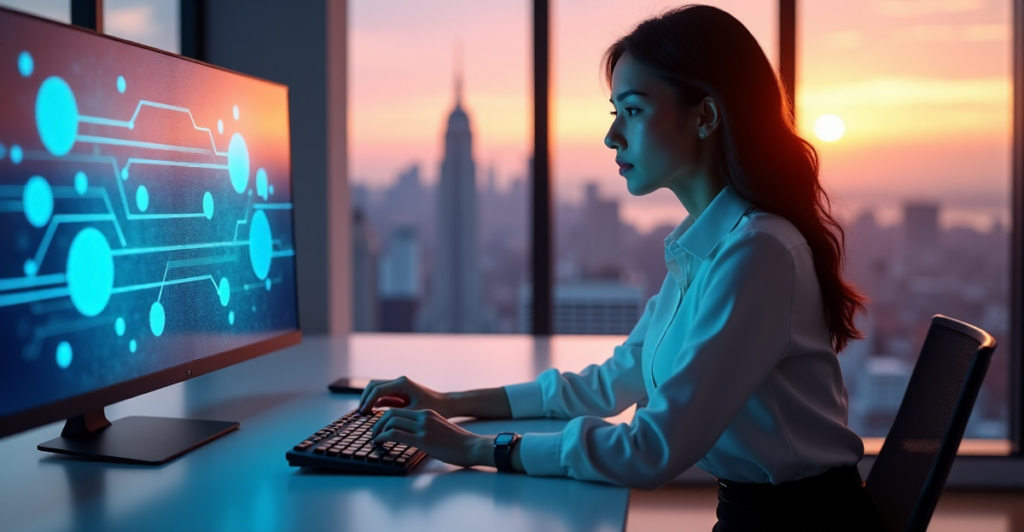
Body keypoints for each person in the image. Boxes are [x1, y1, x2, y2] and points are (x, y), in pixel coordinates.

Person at [359, 5, 883, 531]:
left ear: (704, 116)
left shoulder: (758, 253)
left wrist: (478, 447)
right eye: (614, 112)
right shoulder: (702, 247)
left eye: (631, 110)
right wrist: (448, 402)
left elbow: (649, 449)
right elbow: (607, 385)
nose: (613, 136)